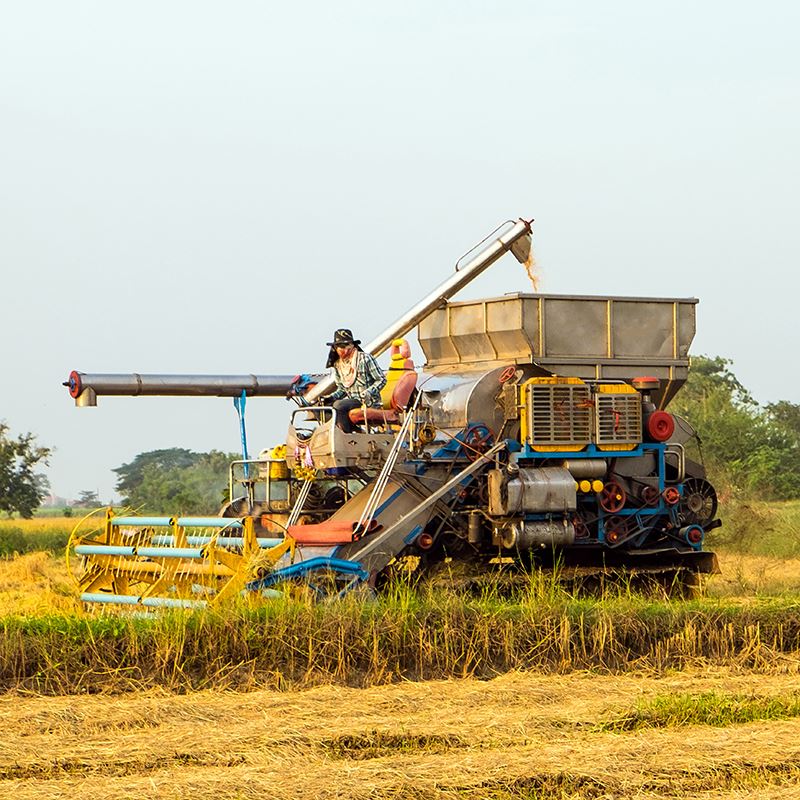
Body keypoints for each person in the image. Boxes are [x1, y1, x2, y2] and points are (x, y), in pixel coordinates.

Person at [323, 328, 386, 433]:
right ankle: (352, 431)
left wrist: (369, 392)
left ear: (352, 345)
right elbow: (342, 389)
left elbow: (381, 380)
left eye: (345, 346)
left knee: (339, 406)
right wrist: (329, 398)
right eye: (339, 347)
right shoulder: (338, 364)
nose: (342, 350)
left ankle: (345, 436)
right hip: (351, 401)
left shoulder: (365, 359)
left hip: (368, 401)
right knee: (322, 407)